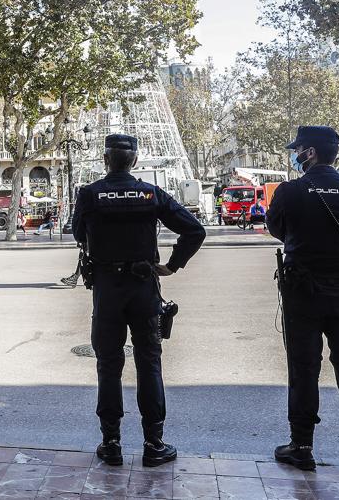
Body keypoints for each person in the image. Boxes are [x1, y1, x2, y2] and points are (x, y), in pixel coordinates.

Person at [74, 134, 206, 468]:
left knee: (108, 364)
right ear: (134, 160)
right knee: (149, 363)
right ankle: (154, 443)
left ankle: (112, 442)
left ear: (106, 160)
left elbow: (77, 234)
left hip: (107, 289)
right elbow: (194, 230)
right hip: (144, 286)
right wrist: (173, 265)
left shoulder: (90, 195)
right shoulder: (150, 194)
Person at [267, 126, 339, 475]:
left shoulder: (291, 191)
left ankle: (301, 446)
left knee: (303, 369)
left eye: (297, 150)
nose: (295, 156)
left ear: (309, 153)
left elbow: (277, 229)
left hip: (302, 293)